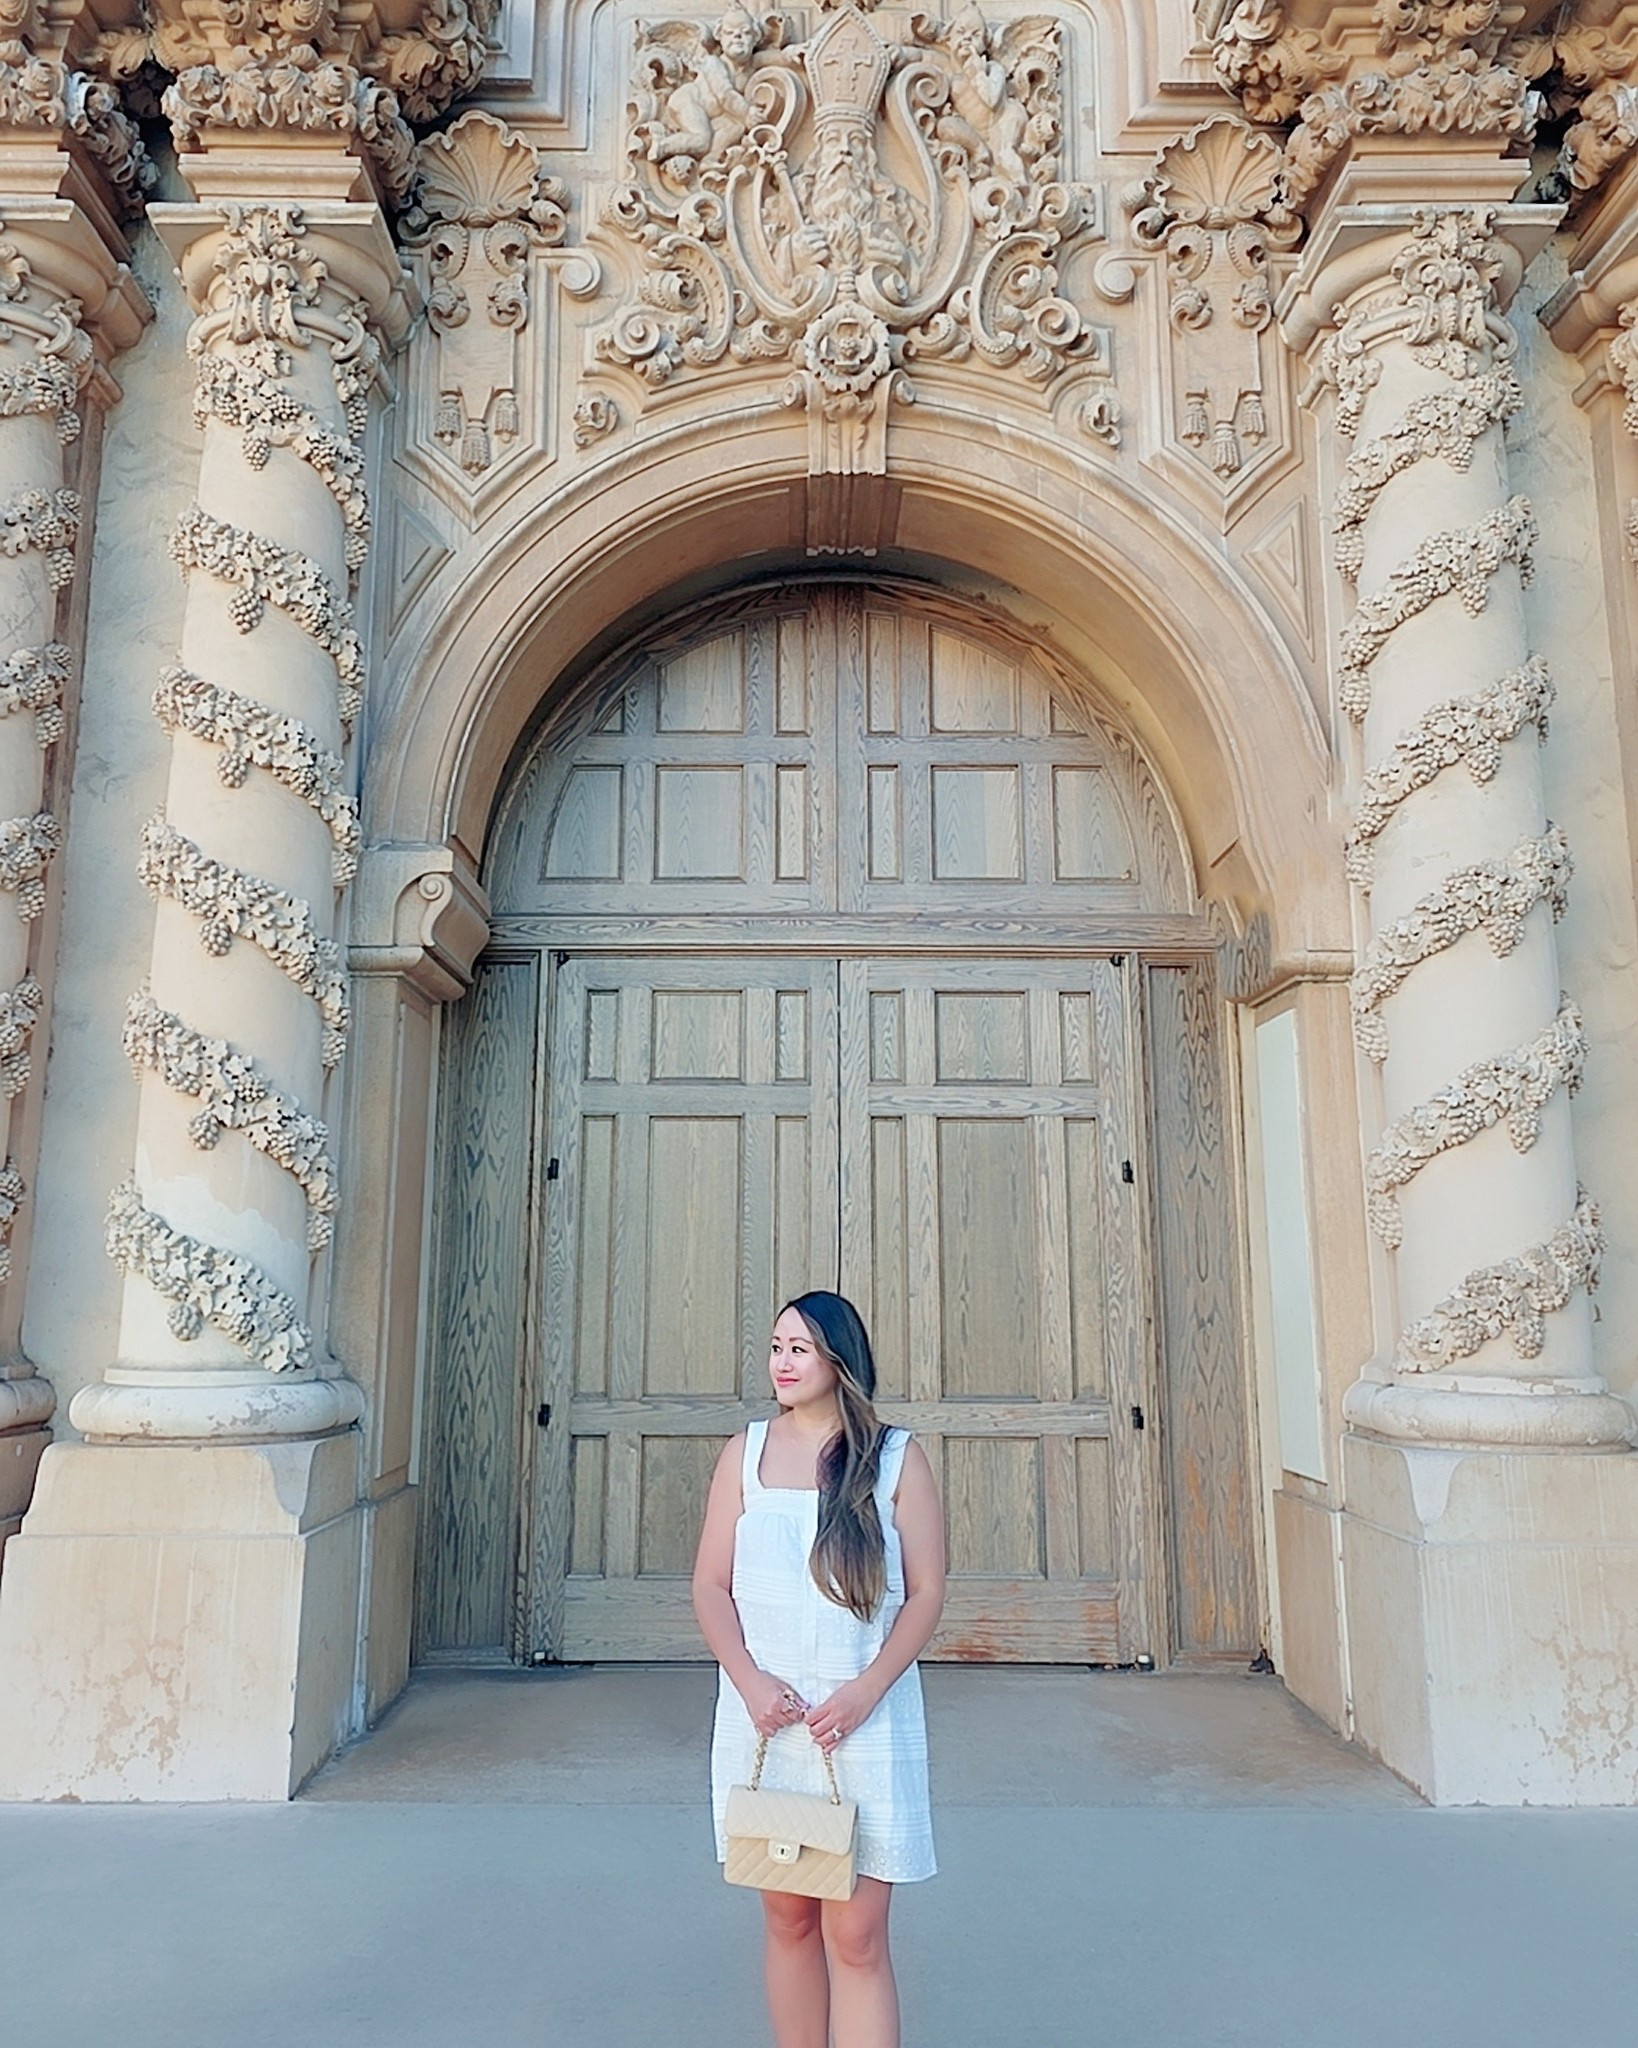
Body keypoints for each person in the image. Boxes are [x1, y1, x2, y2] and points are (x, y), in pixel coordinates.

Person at [694, 1291, 945, 2048]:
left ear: (839, 1359)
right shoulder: (745, 1455)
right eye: (777, 1347)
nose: (782, 1362)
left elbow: (927, 1594)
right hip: (769, 1726)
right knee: (789, 1919)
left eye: (799, 1348)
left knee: (857, 1934)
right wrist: (750, 1683)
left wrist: (867, 1691)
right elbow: (709, 1586)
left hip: (863, 1724)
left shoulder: (895, 1459)